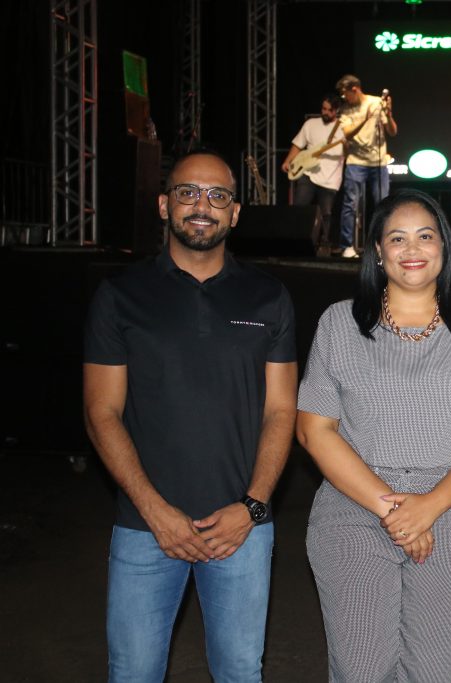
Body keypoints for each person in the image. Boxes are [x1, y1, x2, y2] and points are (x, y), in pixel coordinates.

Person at [83, 150, 298, 682]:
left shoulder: (269, 296)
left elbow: (281, 411)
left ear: (235, 212)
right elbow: (101, 413)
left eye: (218, 195)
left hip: (242, 528)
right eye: (188, 192)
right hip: (145, 526)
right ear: (164, 205)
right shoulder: (120, 295)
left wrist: (252, 507)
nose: (203, 205)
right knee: (133, 672)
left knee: (240, 672)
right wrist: (156, 512)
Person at [296, 189, 451, 681]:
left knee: (439, 671)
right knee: (360, 671)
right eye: (397, 238)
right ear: (378, 250)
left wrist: (429, 506)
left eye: (425, 236)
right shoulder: (339, 323)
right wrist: (396, 511)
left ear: (444, 247)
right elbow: (315, 431)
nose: (412, 249)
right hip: (352, 508)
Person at [281, 94, 370, 252]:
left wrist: (347, 145)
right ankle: (294, 241)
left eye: (329, 110)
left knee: (326, 214)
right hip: (308, 173)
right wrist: (288, 161)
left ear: (336, 110)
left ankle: (324, 246)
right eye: (323, 109)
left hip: (330, 179)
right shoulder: (310, 124)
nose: (325, 112)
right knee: (299, 208)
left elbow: (349, 154)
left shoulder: (344, 128)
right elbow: (298, 144)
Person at [335, 74, 398, 259]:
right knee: (350, 203)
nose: (344, 98)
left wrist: (389, 114)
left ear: (354, 89)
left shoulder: (376, 102)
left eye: (345, 93)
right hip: (355, 161)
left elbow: (392, 132)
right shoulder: (345, 110)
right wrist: (365, 118)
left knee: (383, 204)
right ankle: (347, 246)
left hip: (377, 162)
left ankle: (382, 246)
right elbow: (347, 133)